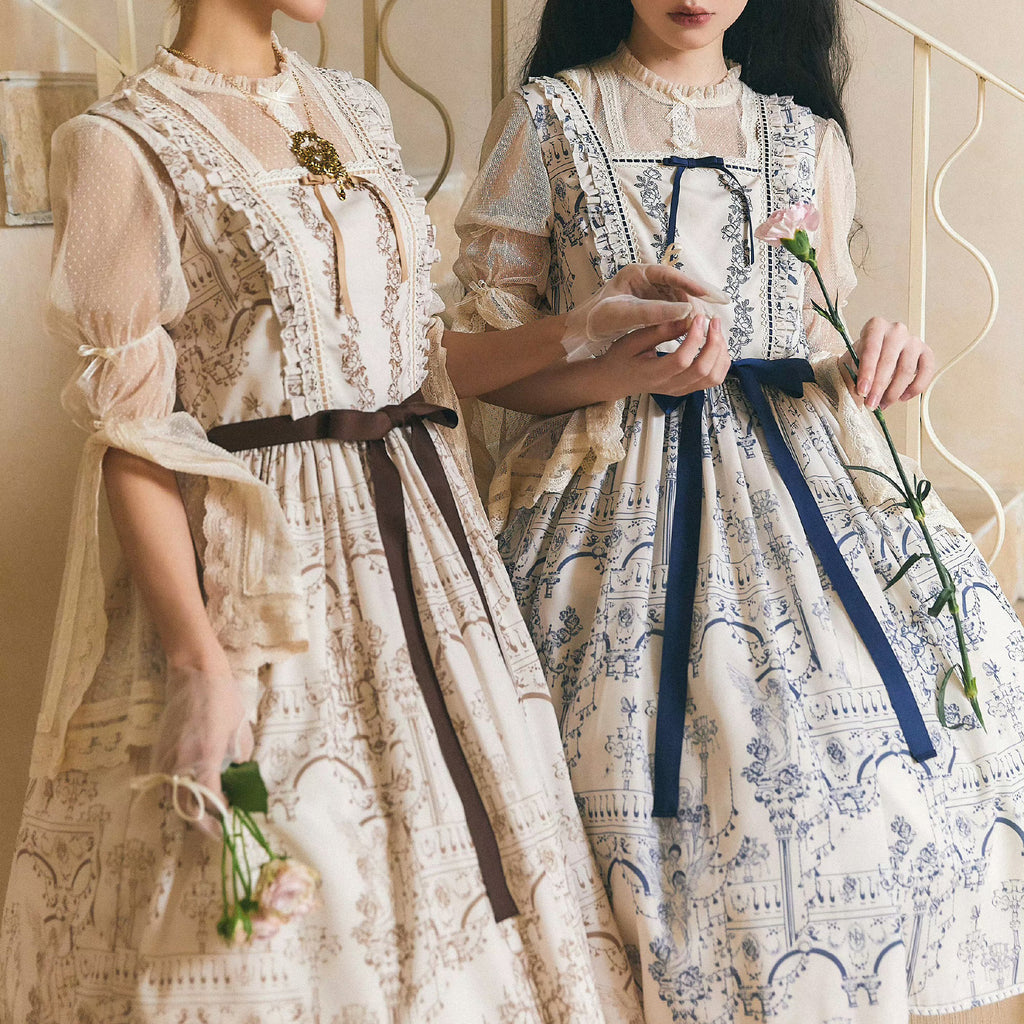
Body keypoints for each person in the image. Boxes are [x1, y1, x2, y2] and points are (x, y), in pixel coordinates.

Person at [0, 0, 716, 1019]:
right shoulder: (120, 142)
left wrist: (589, 333)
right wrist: (201, 661)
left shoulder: (353, 108)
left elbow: (421, 364)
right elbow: (133, 439)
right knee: (294, 906)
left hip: (427, 543)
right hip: (265, 559)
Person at [452, 1, 1024, 1021]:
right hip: (601, 506)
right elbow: (480, 362)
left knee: (856, 796)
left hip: (795, 496)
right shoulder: (550, 118)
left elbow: (804, 343)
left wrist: (869, 357)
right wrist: (608, 368)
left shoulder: (803, 137)